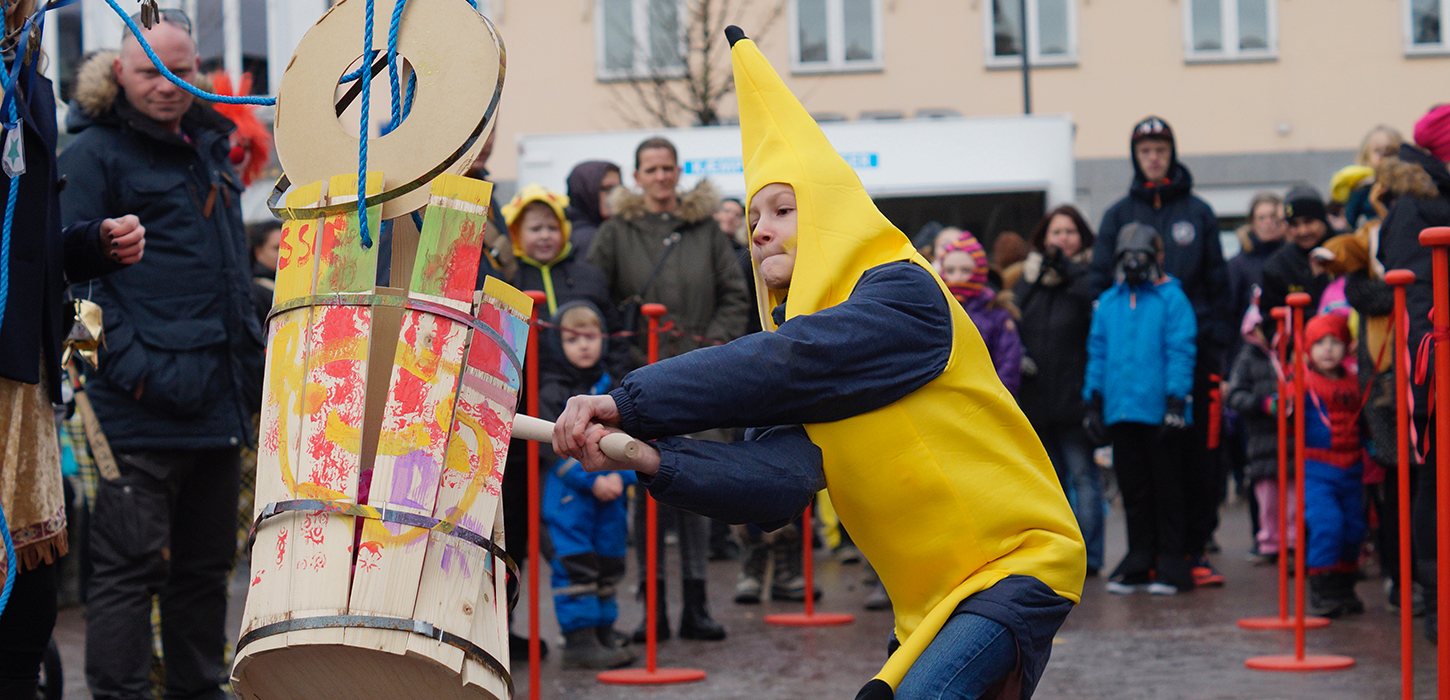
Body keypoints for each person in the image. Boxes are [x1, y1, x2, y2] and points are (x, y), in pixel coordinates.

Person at [554, 28, 1083, 699]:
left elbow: (787, 363)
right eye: (754, 218)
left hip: (1019, 563)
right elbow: (776, 485)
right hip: (929, 604)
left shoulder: (904, 291)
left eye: (783, 210)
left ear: (833, 216)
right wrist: (647, 457)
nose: (759, 230)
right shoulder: (809, 343)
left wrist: (626, 402)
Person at [59, 14, 265, 700]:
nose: (166, 85)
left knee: (205, 574)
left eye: (178, 70)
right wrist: (122, 373)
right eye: (149, 71)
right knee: (126, 574)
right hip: (135, 412)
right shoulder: (91, 154)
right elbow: (71, 284)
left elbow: (229, 277)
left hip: (216, 404)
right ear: (119, 72)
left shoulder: (209, 146)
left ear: (196, 69)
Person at [0, 2, 146, 696]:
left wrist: (89, 246)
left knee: (27, 609)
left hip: (23, 384)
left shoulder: (26, 77)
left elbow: (21, 244)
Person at [586, 136, 751, 642]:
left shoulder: (706, 230)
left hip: (701, 380)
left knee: (696, 487)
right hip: (641, 382)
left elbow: (735, 294)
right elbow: (595, 296)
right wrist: (625, 354)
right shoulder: (617, 232)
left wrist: (713, 348)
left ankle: (696, 606)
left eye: (667, 168)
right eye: (651, 169)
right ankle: (652, 608)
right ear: (637, 176)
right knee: (649, 494)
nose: (660, 176)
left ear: (678, 172)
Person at [1088, 116, 1229, 587]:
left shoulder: (1198, 212)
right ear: (1136, 156)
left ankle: (1190, 549)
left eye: (1161, 149)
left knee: (1196, 464)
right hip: (1134, 371)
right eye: (1145, 150)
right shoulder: (1117, 215)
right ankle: (1145, 554)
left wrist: (1215, 350)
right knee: (1142, 472)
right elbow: (1099, 285)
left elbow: (1218, 285)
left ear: (1172, 153)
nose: (1153, 157)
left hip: (1191, 356)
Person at [1084, 223, 1198, 596]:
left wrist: (1176, 399)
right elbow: (1098, 352)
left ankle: (1172, 560)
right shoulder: (1109, 302)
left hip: (1159, 411)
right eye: (1127, 256)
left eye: (1141, 256)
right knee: (1133, 491)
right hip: (1121, 411)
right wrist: (1093, 400)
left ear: (1157, 257)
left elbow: (1181, 348)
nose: (1133, 263)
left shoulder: (1171, 299)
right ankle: (1139, 558)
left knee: (1168, 489)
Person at [1376, 120, 1450, 640]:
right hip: (1435, 360)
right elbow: (1418, 296)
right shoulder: (1414, 208)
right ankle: (1437, 605)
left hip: (1432, 355)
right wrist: (1429, 371)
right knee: (1433, 482)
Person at [538, 302, 639, 669]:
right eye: (572, 339)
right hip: (570, 496)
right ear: (557, 344)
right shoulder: (552, 390)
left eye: (591, 337)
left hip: (611, 491)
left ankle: (603, 630)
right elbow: (550, 446)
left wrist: (620, 475)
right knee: (576, 563)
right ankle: (579, 638)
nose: (583, 345)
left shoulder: (611, 388)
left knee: (610, 559)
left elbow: (630, 437)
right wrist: (592, 479)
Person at [1015, 204, 1101, 575]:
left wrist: (1071, 272)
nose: (1063, 239)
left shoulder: (1089, 276)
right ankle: (1061, 556)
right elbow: (1015, 312)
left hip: (1075, 398)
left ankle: (1091, 557)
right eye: (1056, 232)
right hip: (1038, 399)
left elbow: (1094, 309)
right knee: (1051, 486)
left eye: (1069, 231)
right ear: (1043, 238)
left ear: (1082, 236)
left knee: (1083, 478)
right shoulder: (1029, 277)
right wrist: (1038, 276)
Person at [1298, 313, 1367, 618]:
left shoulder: (1356, 382)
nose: (1327, 349)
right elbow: (1282, 410)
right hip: (1317, 469)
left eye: (1335, 342)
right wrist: (1275, 405)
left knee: (1354, 529)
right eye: (1320, 343)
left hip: (1352, 468)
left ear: (1347, 346)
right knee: (1328, 524)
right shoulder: (1302, 382)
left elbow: (1365, 423)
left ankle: (1344, 586)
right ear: (1307, 348)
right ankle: (1323, 587)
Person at [1225, 301, 1288, 564]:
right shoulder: (1247, 357)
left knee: (1294, 499)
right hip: (1261, 440)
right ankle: (1268, 542)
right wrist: (1261, 404)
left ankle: (1293, 543)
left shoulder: (1291, 353)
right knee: (1267, 497)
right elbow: (1234, 395)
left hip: (1292, 442)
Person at [936, 229, 1021, 394]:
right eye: (950, 270)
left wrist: (997, 398)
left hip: (987, 397)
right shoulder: (936, 308)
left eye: (966, 270)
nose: (958, 277)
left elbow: (1009, 362)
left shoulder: (996, 312)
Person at [1259, 186, 1332, 318]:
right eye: (1294, 224)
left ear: (1323, 219)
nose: (1303, 231)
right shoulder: (1278, 267)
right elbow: (1270, 319)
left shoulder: (1347, 251)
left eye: (1308, 221)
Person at [564, 160, 621, 257]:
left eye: (618, 189)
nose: (615, 195)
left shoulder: (610, 229)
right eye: (605, 188)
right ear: (584, 191)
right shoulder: (587, 239)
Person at [248, 220, 281, 329]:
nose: (284, 252)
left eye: (288, 246)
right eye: (277, 248)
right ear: (258, 252)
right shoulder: (254, 292)